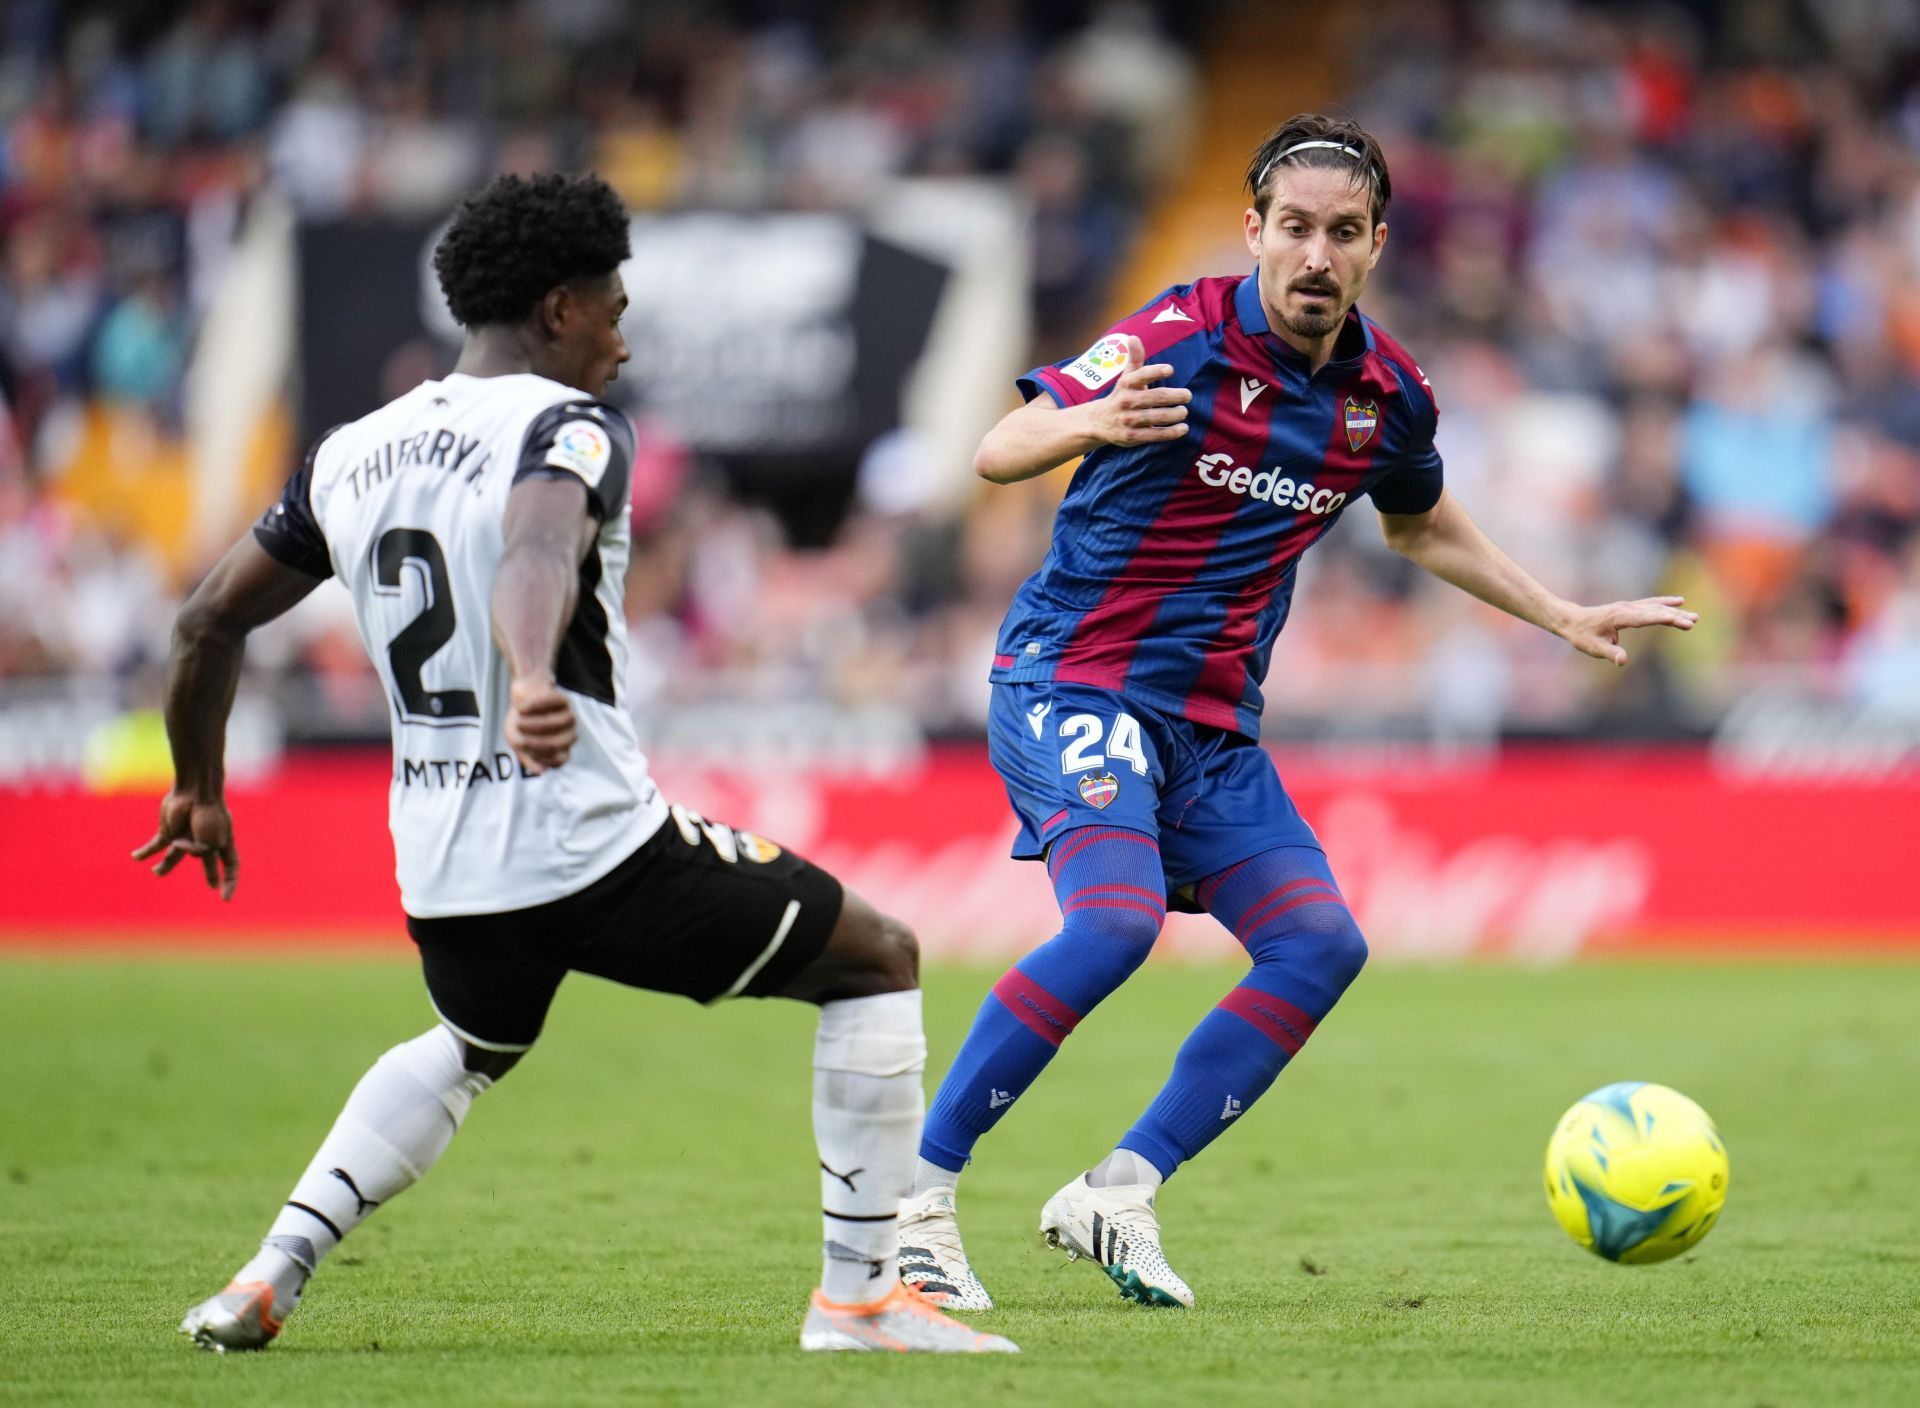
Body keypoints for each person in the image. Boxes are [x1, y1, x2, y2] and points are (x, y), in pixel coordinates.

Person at [142, 173, 1013, 1356]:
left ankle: (271, 1265)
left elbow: (204, 621)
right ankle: (858, 1300)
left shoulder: (351, 449)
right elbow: (537, 540)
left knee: (470, 1043)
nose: (623, 331)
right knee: (877, 957)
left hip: (444, 865)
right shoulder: (570, 427)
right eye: (611, 303)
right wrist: (536, 674)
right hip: (587, 845)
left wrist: (197, 786)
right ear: (558, 308)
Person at [894, 114, 1698, 1311]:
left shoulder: (1388, 395)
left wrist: (1559, 610)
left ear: (1376, 246)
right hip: (1076, 677)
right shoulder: (1179, 331)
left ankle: (1118, 1191)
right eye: (1296, 229)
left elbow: (1422, 524)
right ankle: (910, 1208)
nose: (1316, 256)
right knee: (1113, 927)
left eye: (1345, 233)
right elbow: (1000, 448)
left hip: (1212, 728)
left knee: (1321, 945)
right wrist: (1090, 421)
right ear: (1254, 232)